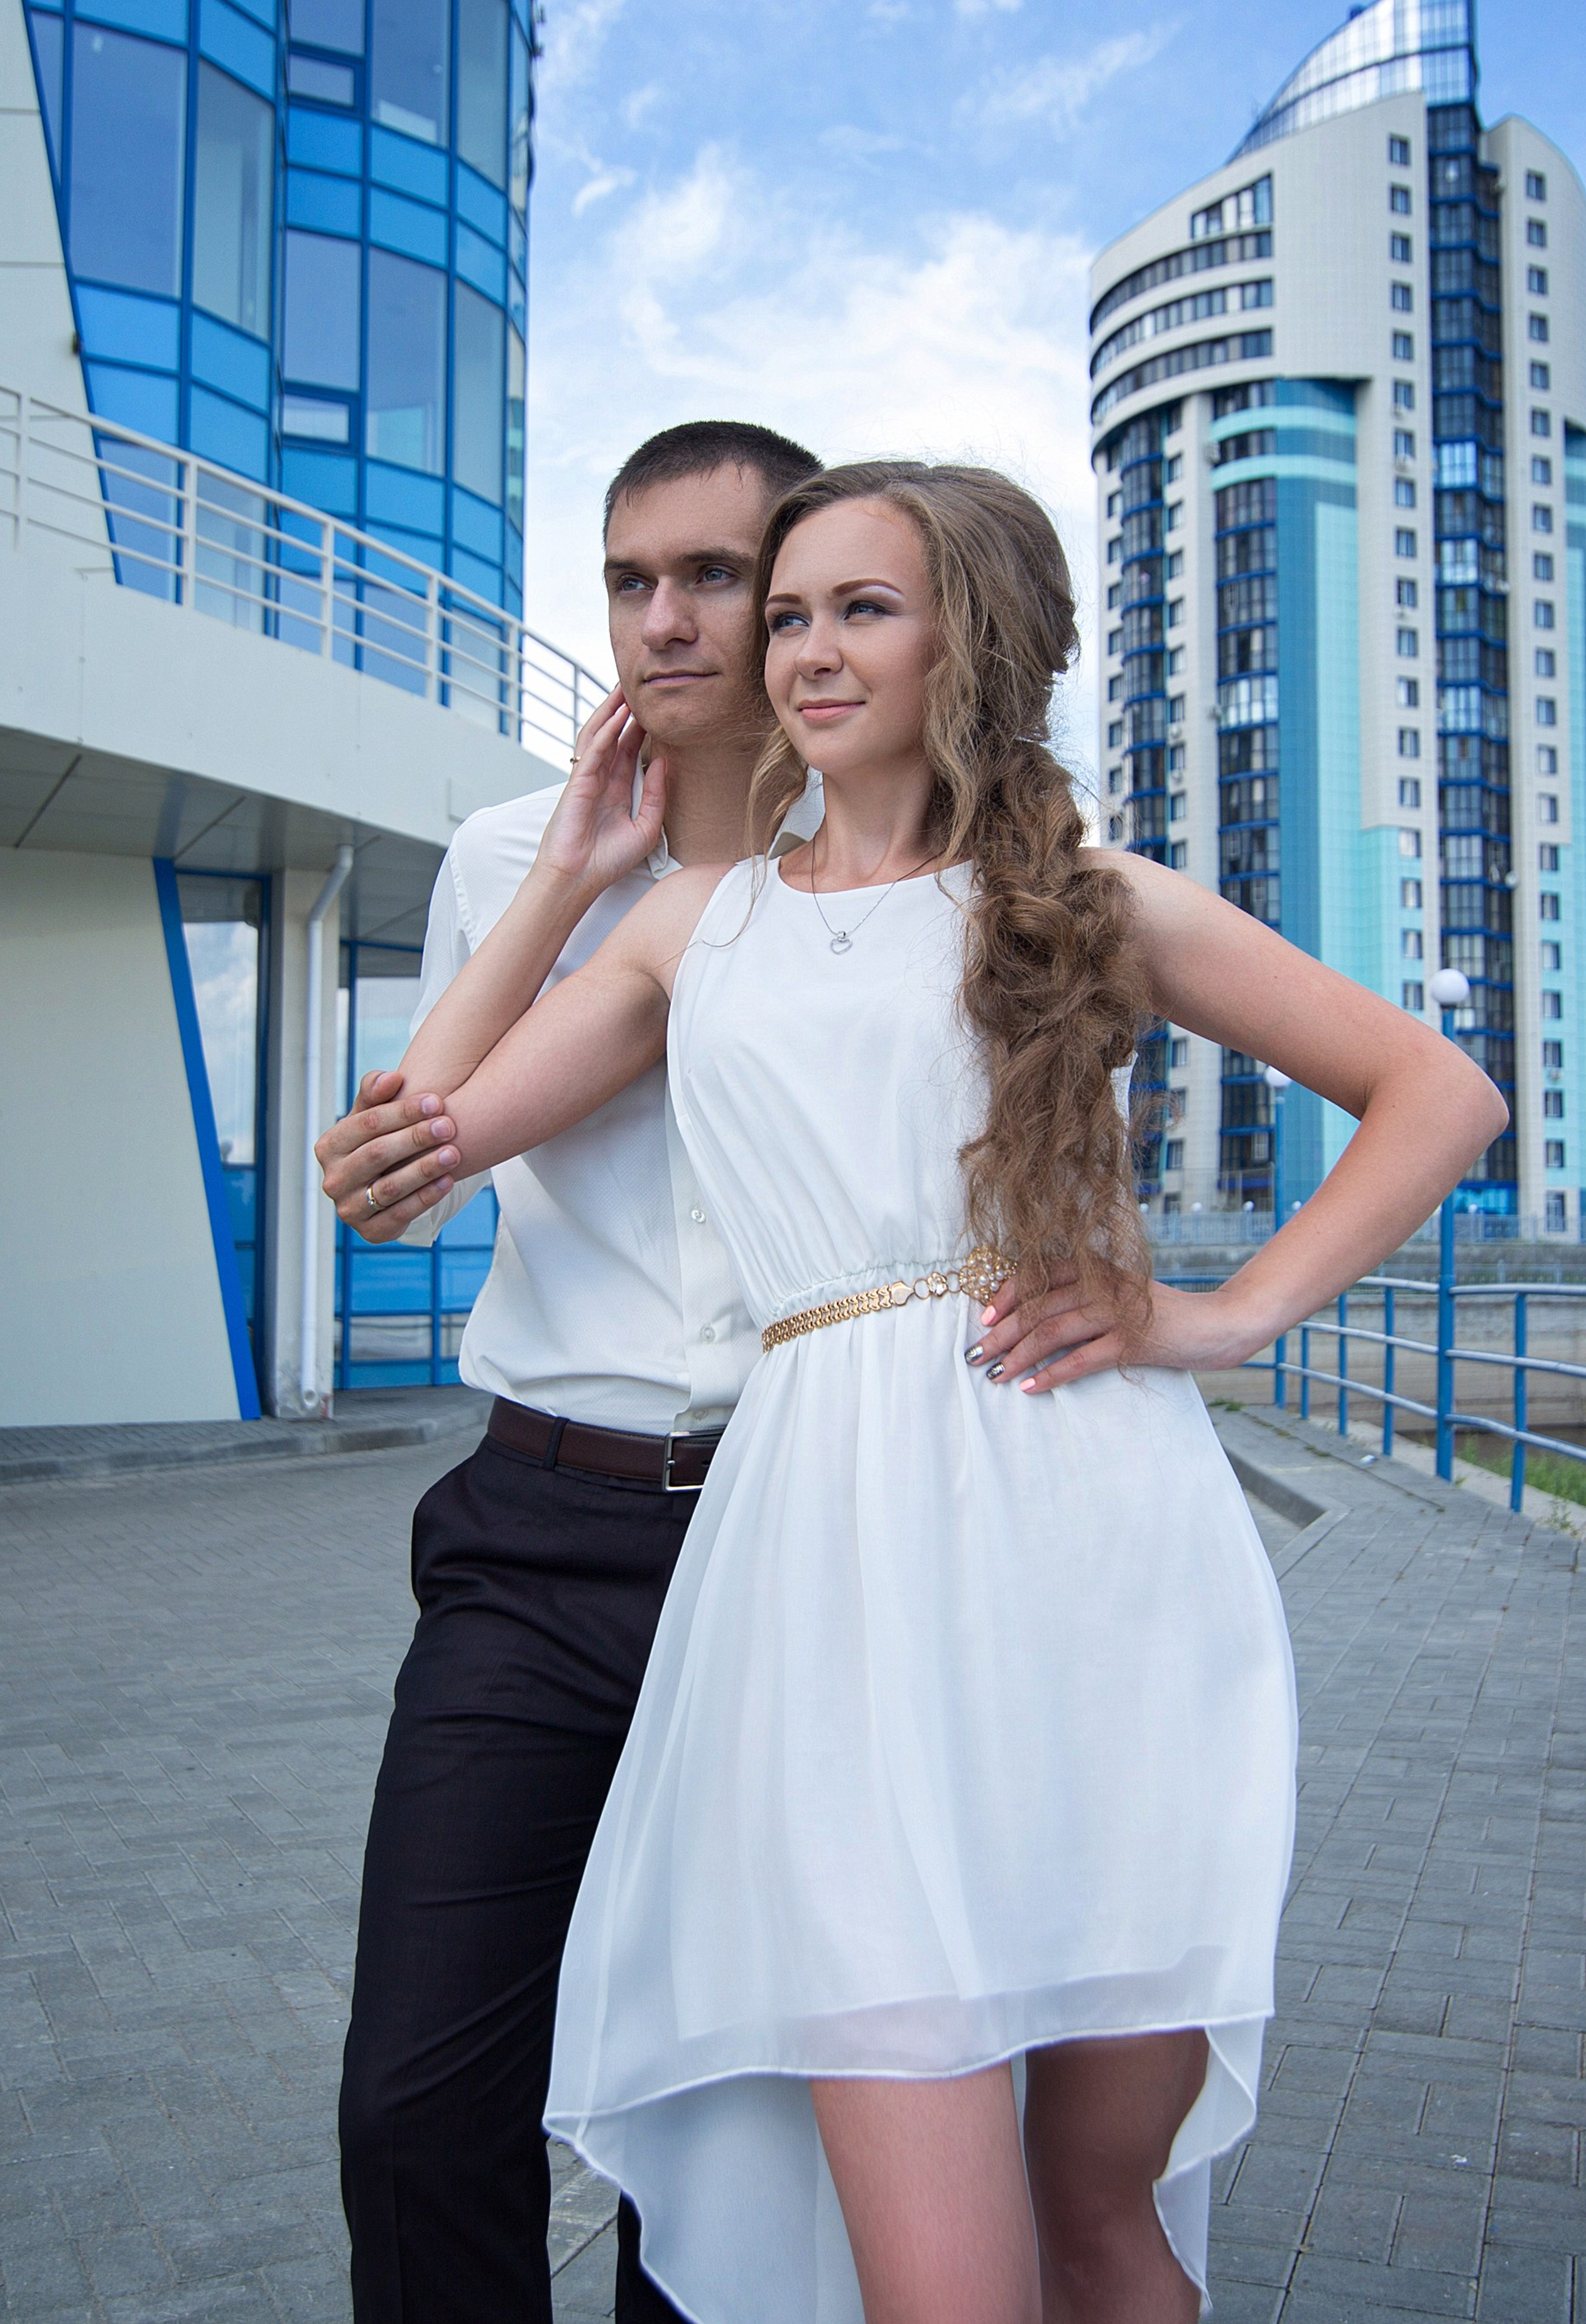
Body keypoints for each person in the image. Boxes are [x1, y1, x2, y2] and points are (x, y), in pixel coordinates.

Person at [389, 461, 1506, 2323]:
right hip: (824, 1580)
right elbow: (412, 1139)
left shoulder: (1086, 899)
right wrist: (575, 879)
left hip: (1102, 1566)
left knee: (1102, 2228)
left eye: (863, 608)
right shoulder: (692, 928)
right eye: (794, 611)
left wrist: (1227, 1321)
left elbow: (1440, 1097)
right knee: (939, 2277)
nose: (807, 650)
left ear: (963, 640)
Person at [319, 421, 823, 2324]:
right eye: (629, 579)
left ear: (794, 602)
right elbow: (393, 1174)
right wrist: (569, 873)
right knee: (414, 2098)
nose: (666, 620)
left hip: (792, 1532)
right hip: (538, 1529)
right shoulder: (496, 863)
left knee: (719, 2116)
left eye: (715, 576)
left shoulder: (873, 867)